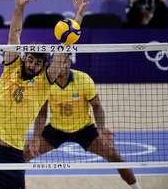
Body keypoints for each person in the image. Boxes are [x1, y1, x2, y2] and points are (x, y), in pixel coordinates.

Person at [0, 0, 87, 189]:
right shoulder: (11, 68)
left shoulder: (44, 82)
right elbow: (14, 35)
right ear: (25, 58)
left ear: (44, 66)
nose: (33, 65)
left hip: (12, 154)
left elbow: (64, 50)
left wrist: (77, 17)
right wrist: (18, 7)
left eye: (38, 63)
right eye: (31, 60)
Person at [24, 54, 141, 189]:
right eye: (57, 63)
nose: (60, 66)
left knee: (114, 155)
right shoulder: (46, 82)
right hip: (56, 130)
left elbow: (96, 106)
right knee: (24, 154)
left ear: (69, 63)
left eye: (63, 62)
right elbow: (42, 112)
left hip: (84, 129)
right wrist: (36, 137)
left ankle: (136, 187)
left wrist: (101, 129)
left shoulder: (83, 79)